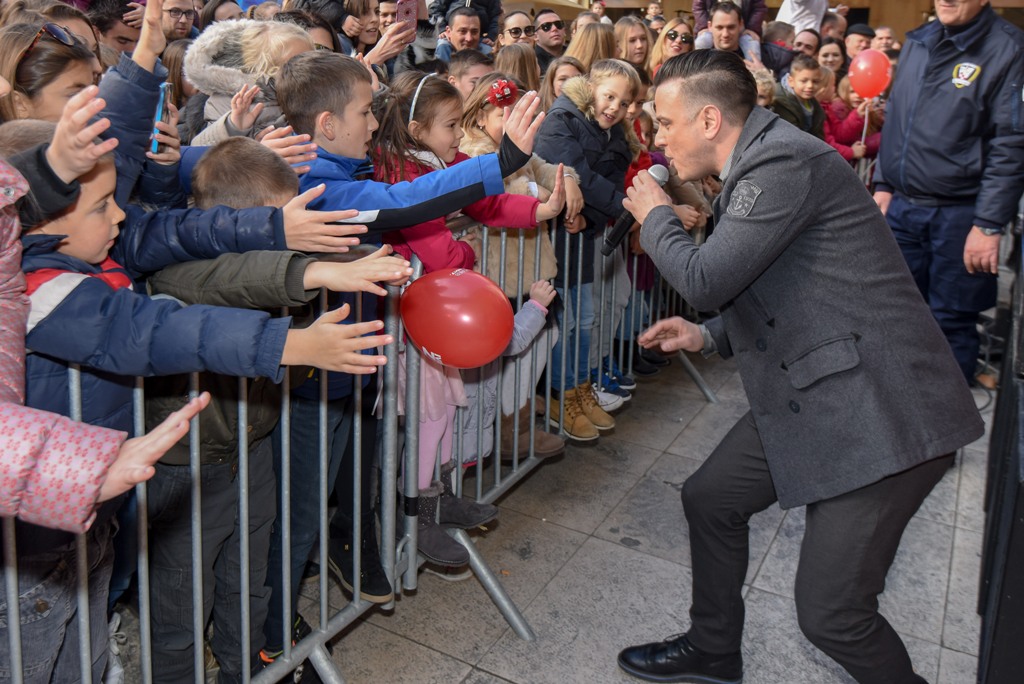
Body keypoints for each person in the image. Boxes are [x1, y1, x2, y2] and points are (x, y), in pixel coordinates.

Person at [617, 48, 983, 684]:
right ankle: (713, 649)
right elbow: (790, 285)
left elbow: (705, 277)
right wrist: (707, 337)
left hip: (880, 411)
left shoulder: (779, 163)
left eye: (666, 122)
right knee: (712, 499)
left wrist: (653, 216)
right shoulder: (764, 158)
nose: (658, 137)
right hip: (817, 384)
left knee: (833, 614)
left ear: (708, 121)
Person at [141, 137, 407, 684]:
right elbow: (226, 284)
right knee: (180, 606)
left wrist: (344, 266)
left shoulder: (257, 271)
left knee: (249, 579)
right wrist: (312, 274)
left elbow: (268, 285)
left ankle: (249, 673)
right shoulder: (174, 271)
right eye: (276, 229)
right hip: (184, 468)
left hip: (252, 448)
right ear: (231, 226)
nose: (287, 244)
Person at [372, 71, 565, 563]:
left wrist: (538, 210)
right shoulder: (400, 171)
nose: (460, 135)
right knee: (427, 419)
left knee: (438, 420)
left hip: (430, 319)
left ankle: (434, 499)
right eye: (452, 125)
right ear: (417, 131)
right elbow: (433, 247)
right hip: (409, 325)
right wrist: (463, 254)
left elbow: (484, 199)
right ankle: (413, 515)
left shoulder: (439, 158)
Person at [873, 0, 1024, 385]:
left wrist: (988, 224)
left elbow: (1012, 144)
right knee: (896, 318)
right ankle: (901, 427)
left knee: (950, 325)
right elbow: (897, 117)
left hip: (960, 217)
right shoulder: (918, 42)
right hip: (902, 209)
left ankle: (943, 441)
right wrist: (884, 183)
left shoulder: (1009, 48)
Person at [534, 59, 642, 441]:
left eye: (625, 102)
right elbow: (581, 175)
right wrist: (630, 209)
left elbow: (597, 189)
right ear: (591, 88)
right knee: (568, 322)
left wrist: (591, 221)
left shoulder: (617, 138)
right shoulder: (562, 118)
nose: (615, 107)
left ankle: (579, 389)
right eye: (609, 96)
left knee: (587, 318)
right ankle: (563, 396)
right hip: (554, 243)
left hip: (581, 237)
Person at [184, 19, 315, 145]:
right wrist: (232, 127)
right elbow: (201, 150)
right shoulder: (230, 102)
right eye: (297, 63)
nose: (308, 69)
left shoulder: (311, 93)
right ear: (264, 68)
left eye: (311, 61)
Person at [772, 53, 824, 138]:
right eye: (804, 81)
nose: (810, 86)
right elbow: (791, 137)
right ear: (791, 81)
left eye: (815, 81)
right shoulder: (780, 101)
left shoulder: (813, 103)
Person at [694, 0, 765, 63]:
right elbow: (698, 8)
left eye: (730, 27)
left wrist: (751, 28)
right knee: (701, 43)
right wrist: (704, 26)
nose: (725, 34)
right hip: (708, 27)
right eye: (720, 27)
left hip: (745, 28)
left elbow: (759, 8)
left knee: (752, 47)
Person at [534, 8, 566, 75]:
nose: (554, 28)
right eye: (546, 26)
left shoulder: (574, 53)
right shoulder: (531, 59)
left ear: (564, 30)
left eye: (558, 24)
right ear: (536, 36)